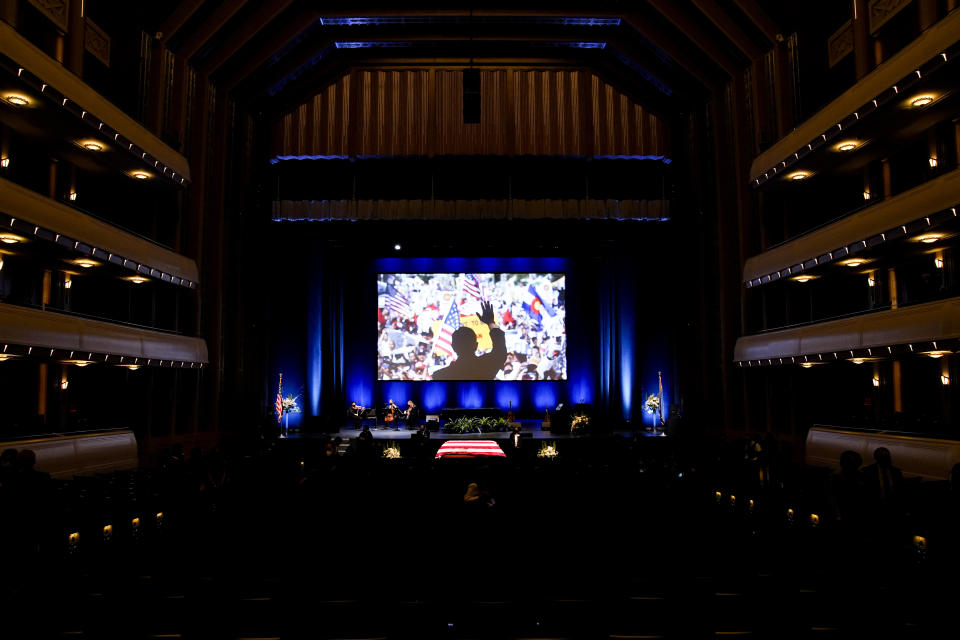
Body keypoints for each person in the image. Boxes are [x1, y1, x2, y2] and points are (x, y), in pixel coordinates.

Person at [433, 301, 507, 380]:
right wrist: (491, 323)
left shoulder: (440, 376)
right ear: (476, 345)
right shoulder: (487, 365)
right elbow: (500, 350)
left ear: (453, 347)